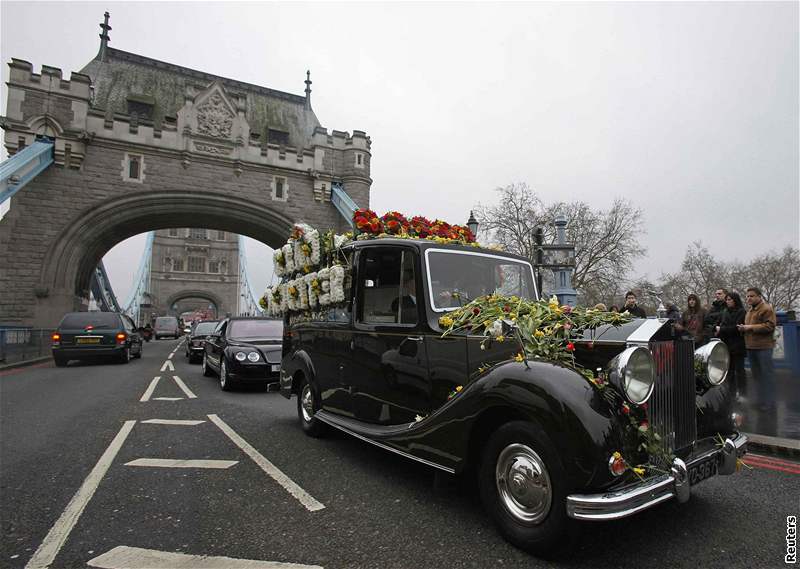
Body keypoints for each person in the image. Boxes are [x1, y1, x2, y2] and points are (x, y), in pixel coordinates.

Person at [738, 287, 777, 411]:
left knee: (767, 376)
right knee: (757, 376)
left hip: (763, 347)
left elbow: (770, 326)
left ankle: (769, 403)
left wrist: (749, 327)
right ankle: (760, 401)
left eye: (752, 296)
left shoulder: (766, 308)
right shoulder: (749, 311)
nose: (749, 298)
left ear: (759, 297)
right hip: (751, 347)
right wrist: (743, 328)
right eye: (747, 296)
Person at [716, 291, 746, 400]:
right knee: (729, 371)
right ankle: (731, 393)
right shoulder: (725, 312)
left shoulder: (742, 312)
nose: (727, 301)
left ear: (735, 300)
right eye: (727, 299)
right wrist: (719, 329)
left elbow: (736, 328)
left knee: (740, 372)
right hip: (727, 345)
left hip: (738, 345)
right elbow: (722, 324)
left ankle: (743, 394)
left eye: (730, 299)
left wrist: (722, 329)